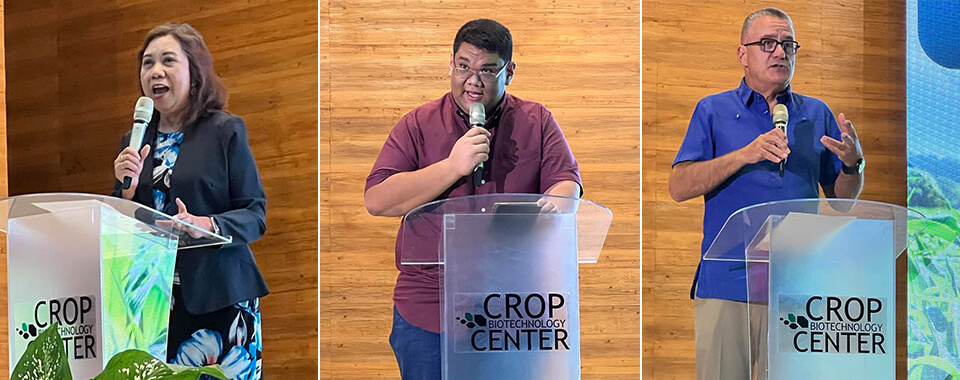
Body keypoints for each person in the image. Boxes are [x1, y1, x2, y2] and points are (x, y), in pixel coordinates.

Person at [364, 19, 582, 380]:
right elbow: (377, 200)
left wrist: (554, 210)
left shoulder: (537, 120)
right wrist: (451, 167)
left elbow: (566, 186)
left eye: (487, 70)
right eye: (463, 66)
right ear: (450, 64)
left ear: (509, 71)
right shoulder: (418, 124)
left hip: (511, 309)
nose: (472, 81)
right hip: (429, 307)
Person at [668, 8, 865, 380]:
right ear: (743, 54)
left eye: (788, 45)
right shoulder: (713, 110)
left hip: (797, 287)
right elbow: (679, 186)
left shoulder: (815, 113)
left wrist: (854, 165)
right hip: (728, 282)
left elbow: (842, 199)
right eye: (768, 44)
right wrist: (747, 154)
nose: (780, 53)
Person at [111, 23, 267, 380]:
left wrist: (207, 225)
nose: (155, 72)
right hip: (154, 303)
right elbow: (119, 222)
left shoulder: (224, 130)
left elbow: (255, 213)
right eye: (147, 64)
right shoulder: (133, 139)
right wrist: (126, 190)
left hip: (219, 300)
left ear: (194, 73)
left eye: (168, 61)